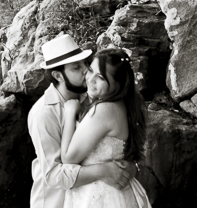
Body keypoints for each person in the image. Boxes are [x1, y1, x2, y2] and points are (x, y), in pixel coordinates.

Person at [28, 34, 136, 208]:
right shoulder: (44, 113)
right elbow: (53, 175)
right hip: (55, 202)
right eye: (76, 67)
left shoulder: (93, 96)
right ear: (58, 75)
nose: (86, 70)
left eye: (86, 63)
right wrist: (103, 171)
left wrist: (130, 166)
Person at [60, 48, 152, 208]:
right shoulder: (126, 104)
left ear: (118, 84)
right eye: (90, 71)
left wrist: (69, 113)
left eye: (101, 77)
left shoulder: (104, 110)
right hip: (118, 192)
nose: (90, 79)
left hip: (100, 196)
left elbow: (68, 158)